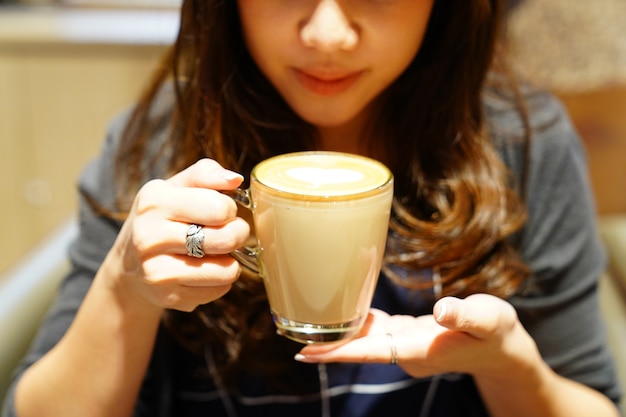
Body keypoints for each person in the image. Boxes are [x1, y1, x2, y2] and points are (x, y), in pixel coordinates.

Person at [1, 0, 622, 416]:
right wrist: (124, 288)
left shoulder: (522, 144)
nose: (327, 34)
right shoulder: (165, 140)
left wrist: (511, 368)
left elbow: (595, 402)